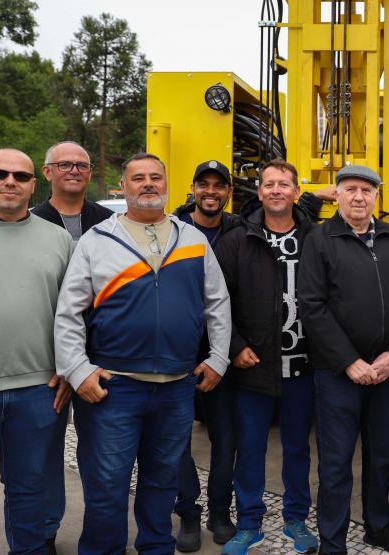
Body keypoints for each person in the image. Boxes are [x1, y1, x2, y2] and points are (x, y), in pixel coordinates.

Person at [54, 152, 231, 554]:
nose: (148, 183)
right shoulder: (97, 241)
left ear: (167, 185)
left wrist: (219, 357)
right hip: (114, 388)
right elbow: (69, 312)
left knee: (162, 481)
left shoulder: (192, 239)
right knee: (106, 486)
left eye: (155, 177)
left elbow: (217, 303)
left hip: (175, 388)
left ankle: (155, 547)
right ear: (124, 185)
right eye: (138, 178)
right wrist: (78, 370)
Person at [298, 165, 389, 555]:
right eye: (350, 189)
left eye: (367, 190)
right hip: (338, 373)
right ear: (337, 194)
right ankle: (333, 542)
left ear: (376, 196)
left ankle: (378, 526)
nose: (358, 197)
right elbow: (311, 305)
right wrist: (349, 361)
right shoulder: (320, 239)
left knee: (381, 455)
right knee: (335, 464)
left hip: (384, 371)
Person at [0, 148, 72, 554]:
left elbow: (73, 314)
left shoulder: (58, 239)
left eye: (20, 176)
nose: (10, 181)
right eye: (0, 173)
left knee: (30, 496)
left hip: (38, 391)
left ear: (33, 184)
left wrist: (69, 368)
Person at [212, 159, 319, 555]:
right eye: (268, 184)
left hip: (303, 366)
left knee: (297, 448)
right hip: (253, 365)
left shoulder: (315, 238)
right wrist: (235, 345)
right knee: (251, 447)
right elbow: (216, 301)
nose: (276, 190)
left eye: (283, 184)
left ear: (295, 191)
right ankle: (250, 523)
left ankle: (296, 519)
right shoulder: (238, 241)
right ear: (259, 193)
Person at [30, 140, 112, 553]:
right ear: (47, 173)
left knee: (98, 456)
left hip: (99, 359)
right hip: (47, 363)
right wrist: (59, 362)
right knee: (45, 453)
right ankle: (44, 531)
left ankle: (100, 535)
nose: (74, 171)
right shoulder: (30, 223)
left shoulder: (106, 221)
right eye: (65, 164)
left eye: (81, 164)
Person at [172, 160, 243, 551]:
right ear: (193, 188)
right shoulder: (174, 230)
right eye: (204, 184)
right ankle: (187, 511)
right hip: (179, 351)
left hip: (223, 351)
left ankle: (219, 510)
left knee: (224, 438)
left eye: (219, 185)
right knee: (177, 438)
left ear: (228, 192)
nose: (211, 191)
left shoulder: (239, 231)